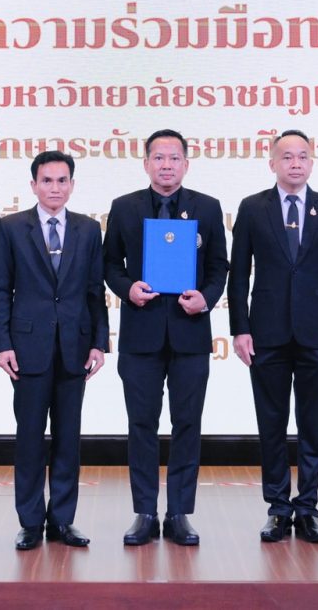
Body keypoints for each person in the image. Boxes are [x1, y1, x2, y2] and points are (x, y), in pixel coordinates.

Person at [103, 128, 229, 547]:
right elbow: (109, 265)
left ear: (186, 164)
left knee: (187, 424)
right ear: (146, 164)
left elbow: (219, 267)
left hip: (190, 333)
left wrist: (207, 298)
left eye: (175, 158)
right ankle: (144, 512)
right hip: (141, 334)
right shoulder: (124, 207)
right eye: (159, 157)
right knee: (141, 424)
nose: (167, 165)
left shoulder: (207, 208)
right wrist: (128, 289)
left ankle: (178, 513)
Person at [229, 129, 318, 543]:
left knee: (312, 425)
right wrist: (240, 328)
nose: (295, 163)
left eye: (302, 156)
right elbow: (238, 274)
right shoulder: (252, 207)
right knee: (271, 424)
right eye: (287, 157)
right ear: (273, 163)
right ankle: (278, 508)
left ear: (312, 163)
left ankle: (308, 508)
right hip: (266, 333)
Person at [0, 150, 108, 550]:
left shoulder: (88, 229)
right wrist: (2, 344)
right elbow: (1, 289)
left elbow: (95, 291)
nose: (54, 188)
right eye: (47, 180)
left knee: (67, 438)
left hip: (75, 346)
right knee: (29, 438)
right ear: (33, 185)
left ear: (72, 185)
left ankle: (62, 520)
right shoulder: (11, 228)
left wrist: (99, 342)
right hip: (27, 348)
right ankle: (29, 522)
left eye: (62, 181)